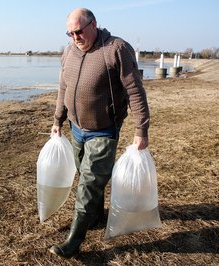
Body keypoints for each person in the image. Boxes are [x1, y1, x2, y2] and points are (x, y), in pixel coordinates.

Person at [49, 8, 150, 258]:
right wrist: (57, 120)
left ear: (93, 24)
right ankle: (95, 217)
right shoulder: (69, 51)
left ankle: (74, 240)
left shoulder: (116, 48)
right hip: (76, 128)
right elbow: (64, 87)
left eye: (79, 31)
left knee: (88, 183)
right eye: (70, 33)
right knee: (89, 178)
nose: (75, 37)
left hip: (104, 130)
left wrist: (141, 130)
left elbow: (135, 91)